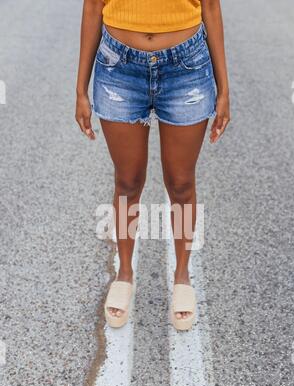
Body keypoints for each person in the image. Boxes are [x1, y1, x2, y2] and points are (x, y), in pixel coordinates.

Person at [76, 0, 230, 330]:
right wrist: (80, 89)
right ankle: (125, 272)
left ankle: (182, 275)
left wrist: (224, 89)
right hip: (119, 67)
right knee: (128, 181)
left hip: (186, 66)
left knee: (181, 183)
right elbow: (92, 7)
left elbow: (212, 8)